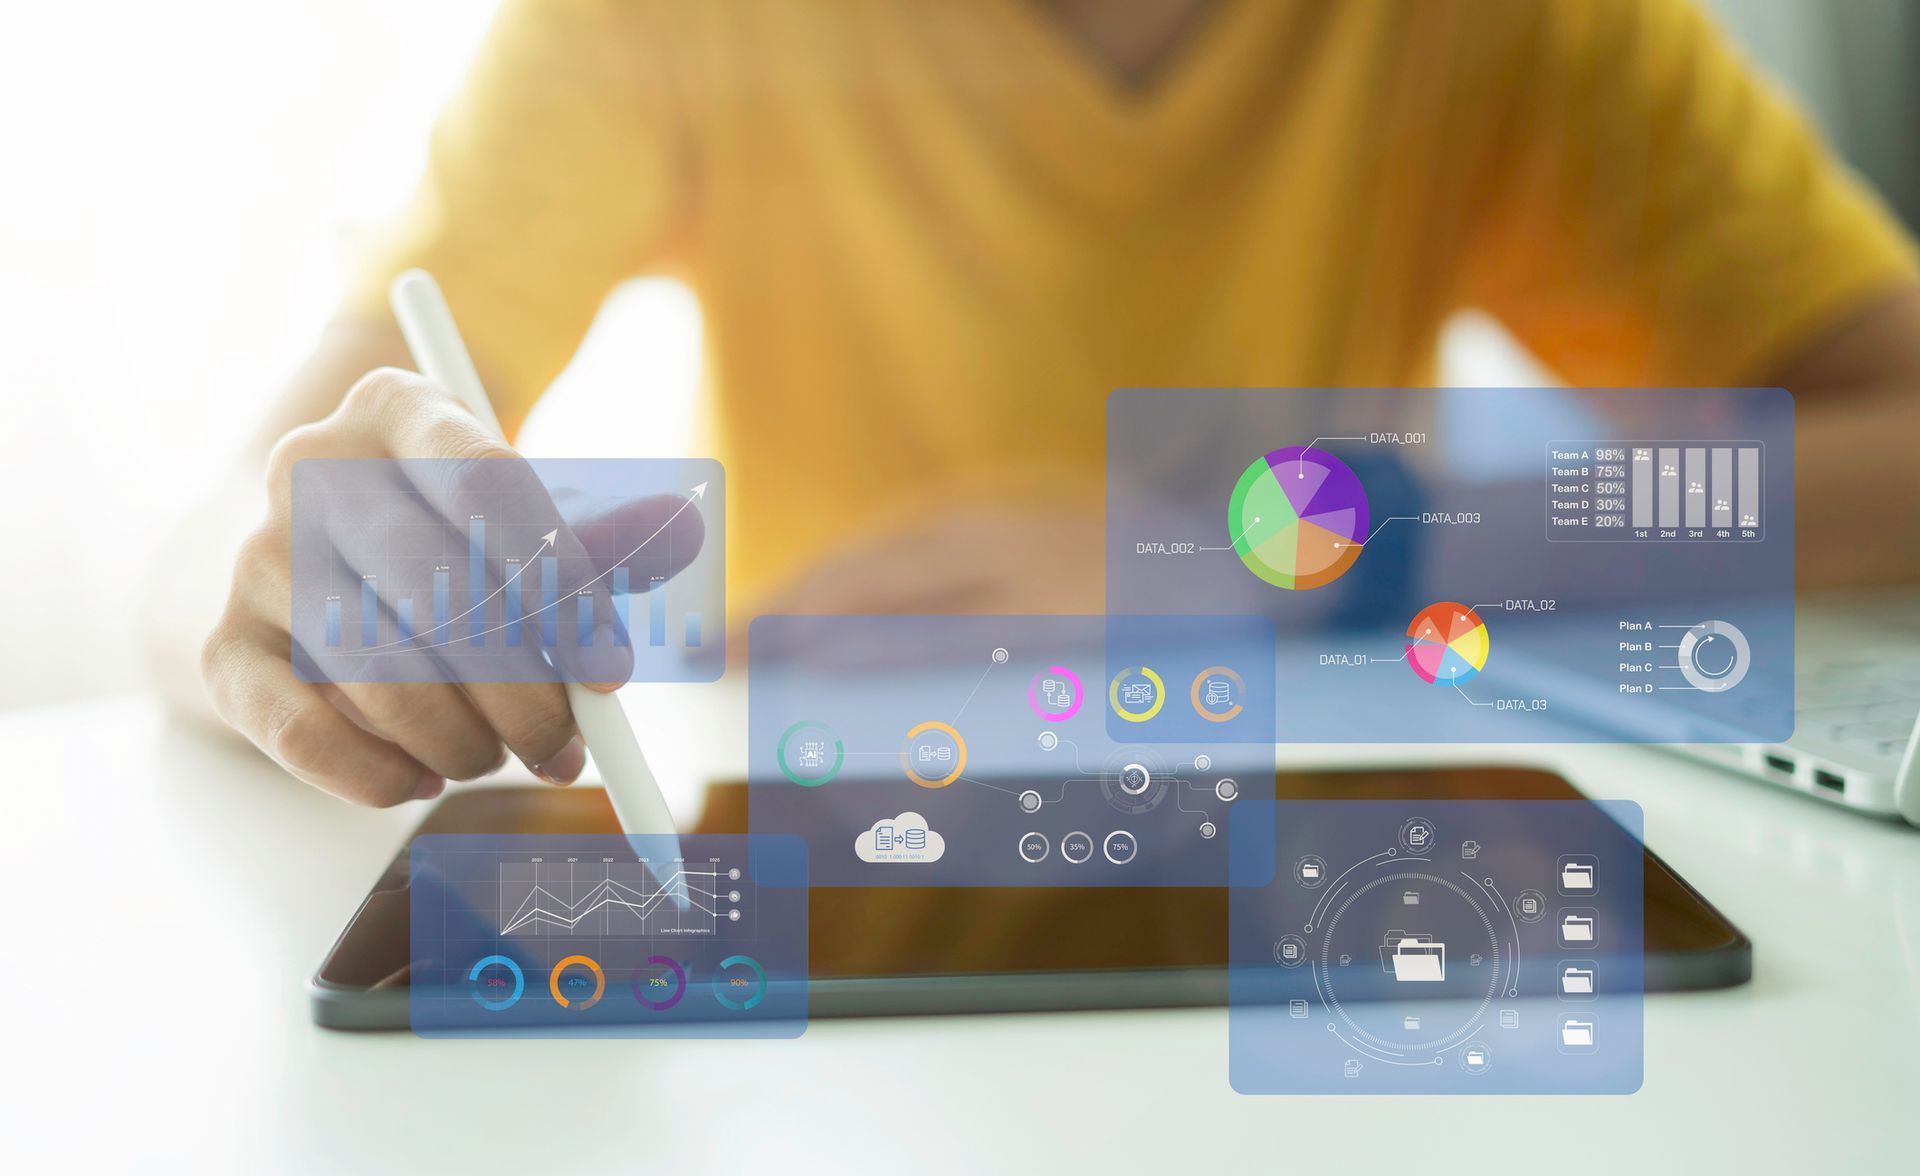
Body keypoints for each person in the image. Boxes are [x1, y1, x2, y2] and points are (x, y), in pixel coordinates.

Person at [162, 0, 1920, 807]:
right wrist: (269, 595)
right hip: (844, 872)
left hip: (1308, 856)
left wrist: (1268, 556)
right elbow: (216, 546)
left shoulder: (1514, 30)